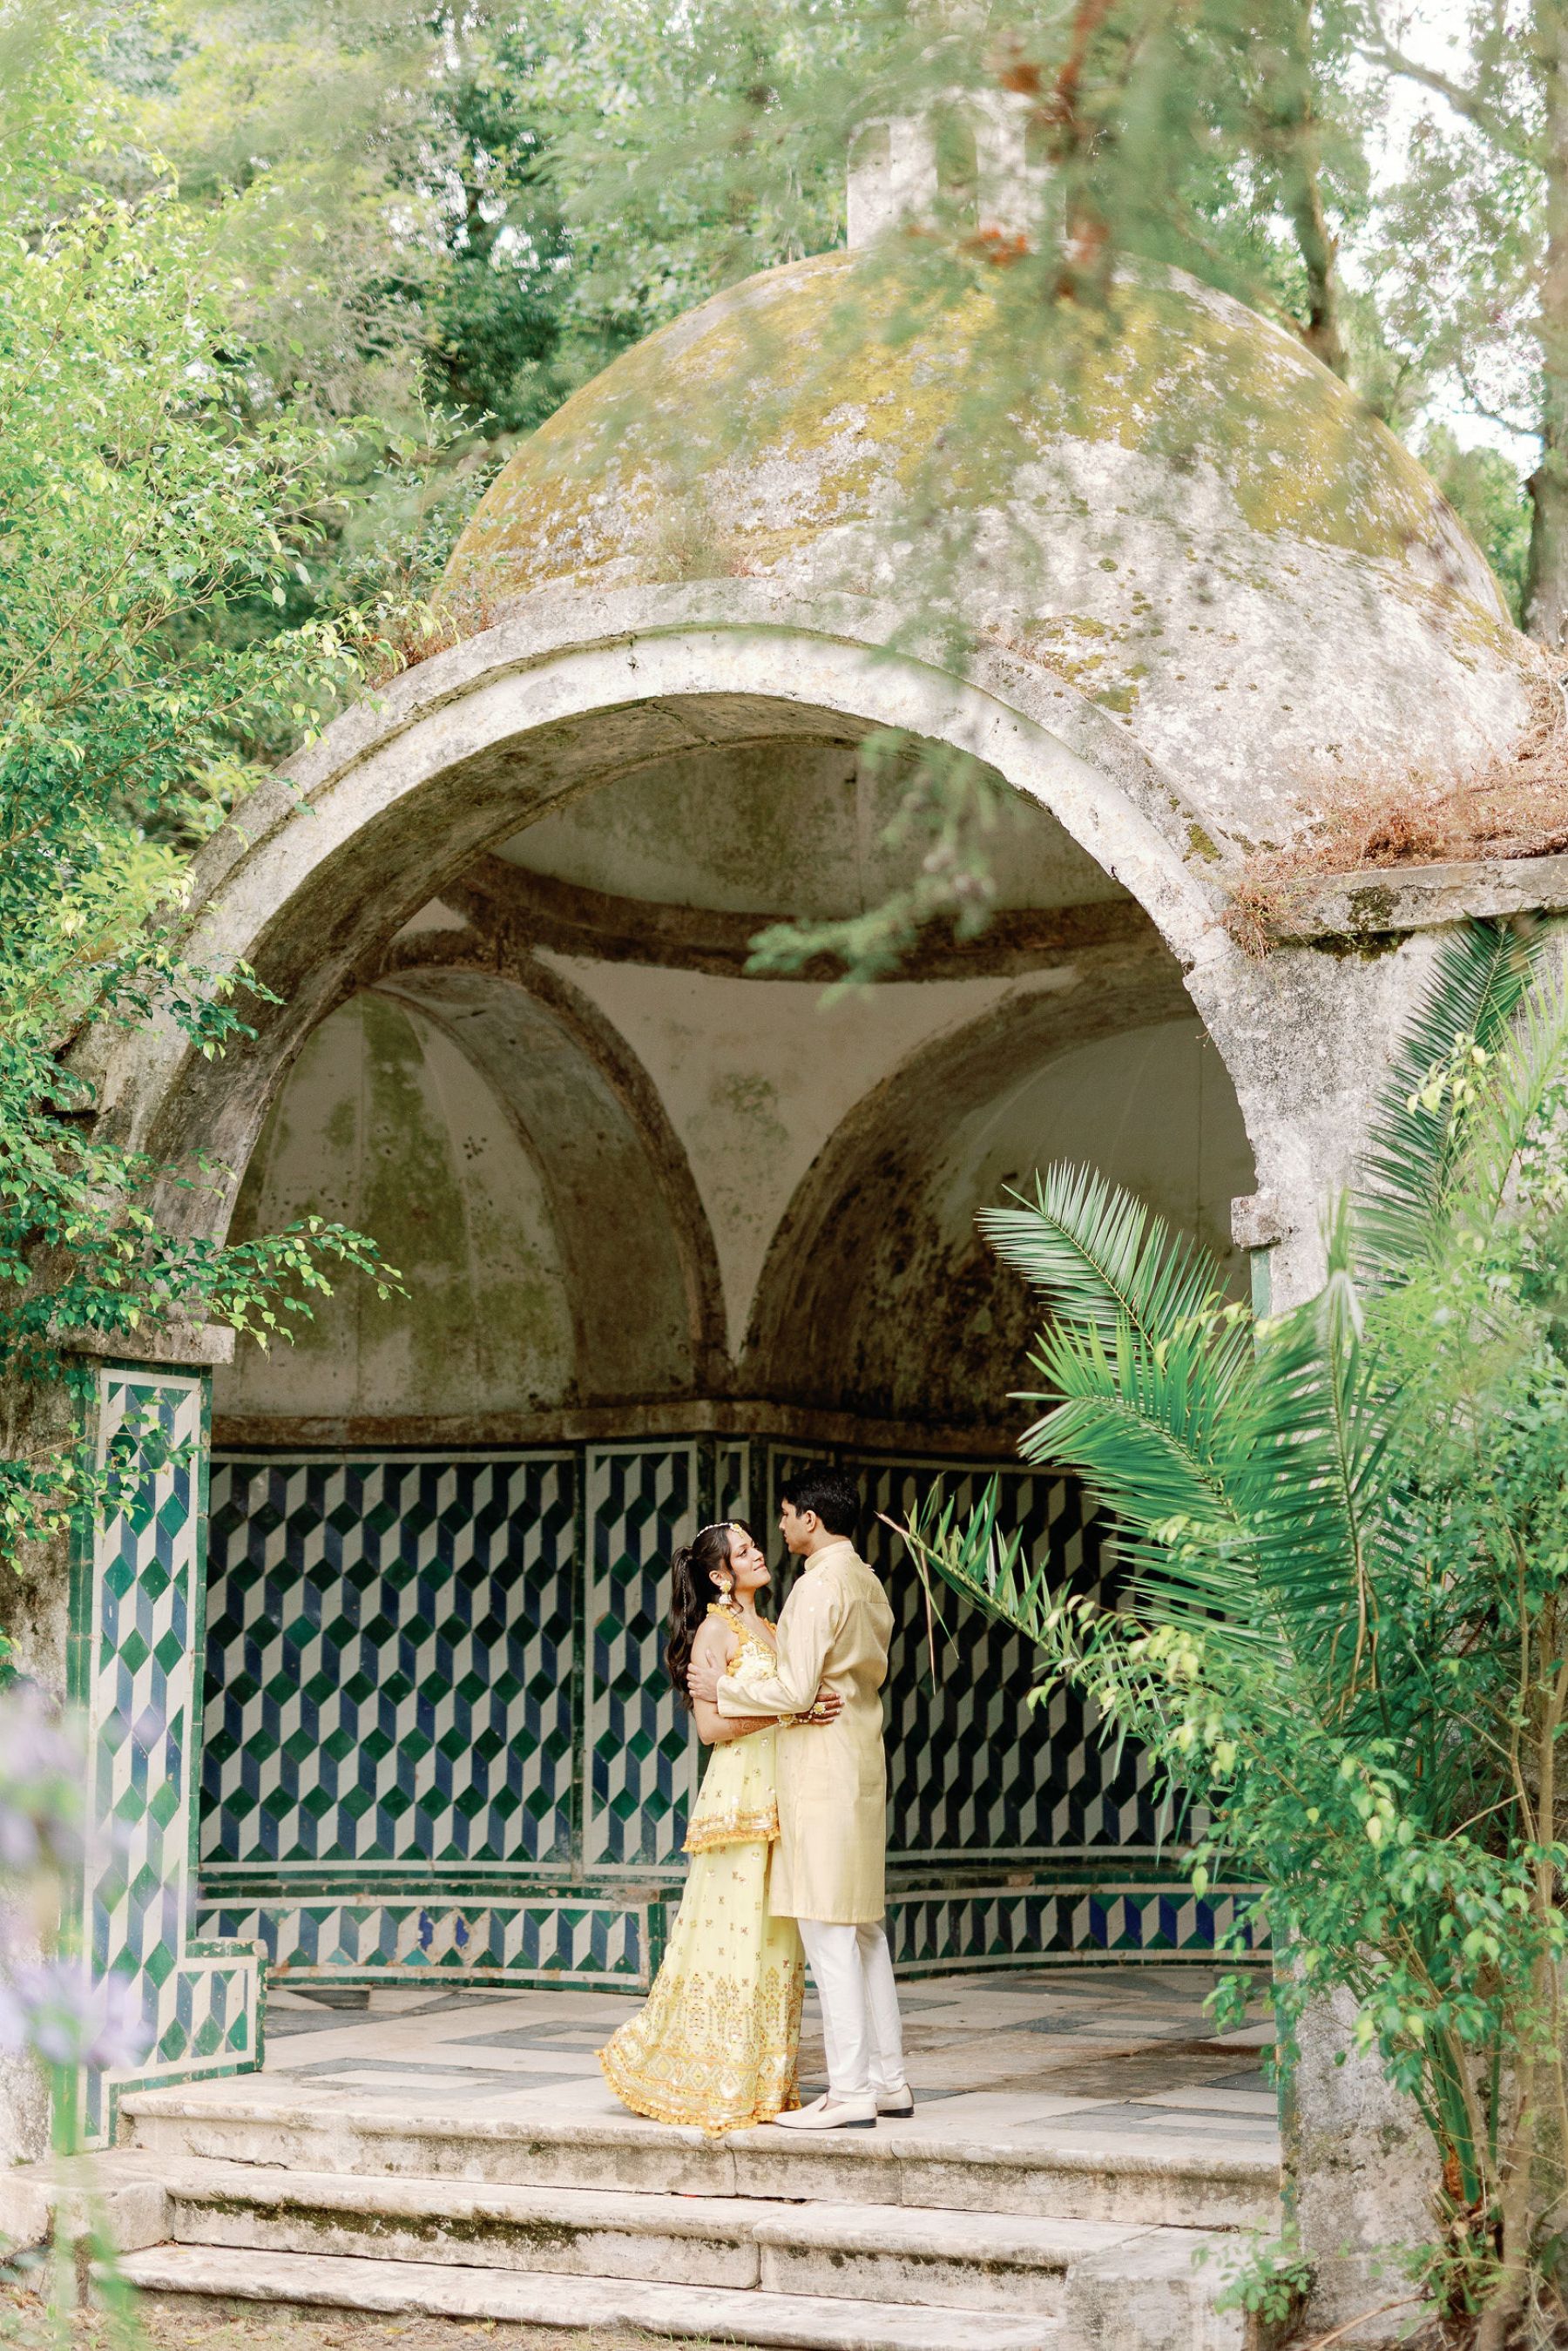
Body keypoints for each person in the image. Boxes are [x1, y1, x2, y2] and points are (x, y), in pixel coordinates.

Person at [598, 1518, 841, 2134]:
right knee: (732, 1935)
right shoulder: (715, 1630)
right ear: (718, 1575)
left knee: (776, 1938)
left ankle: (762, 2077)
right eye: (743, 1550)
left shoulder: (772, 1623)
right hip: (738, 1799)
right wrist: (790, 1711)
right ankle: (710, 2071)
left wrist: (796, 1707)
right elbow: (710, 1729)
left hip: (781, 1792)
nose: (758, 1553)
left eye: (756, 1544)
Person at [687, 1465, 909, 2131]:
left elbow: (792, 1690)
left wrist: (719, 1688)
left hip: (820, 1773)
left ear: (810, 1518)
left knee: (827, 1928)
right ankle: (887, 2078)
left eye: (784, 1515)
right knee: (863, 1929)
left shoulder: (817, 1587)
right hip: (861, 1765)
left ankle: (848, 2092)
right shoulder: (867, 1580)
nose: (779, 1528)